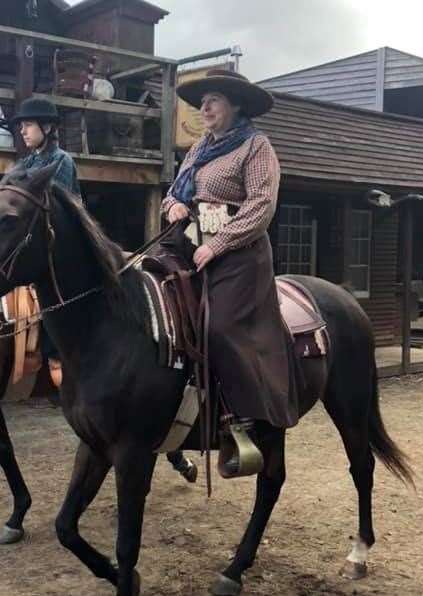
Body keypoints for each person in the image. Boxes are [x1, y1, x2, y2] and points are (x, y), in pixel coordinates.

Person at [162, 68, 299, 476]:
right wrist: (174, 206)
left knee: (219, 327)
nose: (203, 107)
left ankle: (241, 422)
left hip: (240, 256)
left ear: (235, 105)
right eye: (202, 101)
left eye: (213, 99)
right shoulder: (200, 148)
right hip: (190, 244)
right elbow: (174, 189)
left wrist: (217, 245)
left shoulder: (257, 147)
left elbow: (261, 207)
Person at [12, 97, 81, 387]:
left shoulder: (61, 161)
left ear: (47, 126)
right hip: (36, 243)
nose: (23, 132)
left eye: (28, 125)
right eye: (22, 126)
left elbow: (54, 210)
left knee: (59, 328)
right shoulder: (25, 163)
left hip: (62, 247)